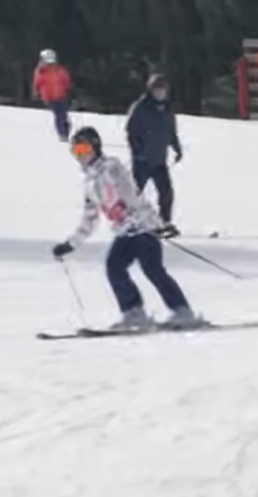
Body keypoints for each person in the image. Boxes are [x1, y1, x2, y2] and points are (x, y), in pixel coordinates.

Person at [52, 126, 202, 332]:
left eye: (85, 149)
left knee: (153, 270)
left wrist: (150, 222)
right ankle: (134, 313)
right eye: (77, 151)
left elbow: (130, 193)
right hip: (124, 232)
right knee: (114, 267)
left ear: (95, 147)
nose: (82, 155)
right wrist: (70, 244)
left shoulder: (111, 168)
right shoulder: (90, 183)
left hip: (143, 227)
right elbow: (90, 218)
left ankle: (183, 312)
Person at [125, 72, 184, 237]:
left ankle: (165, 221)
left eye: (163, 90)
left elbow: (171, 131)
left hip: (159, 160)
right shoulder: (141, 107)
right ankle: (129, 222)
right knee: (135, 193)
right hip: (142, 161)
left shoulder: (167, 109)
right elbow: (131, 132)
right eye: (157, 90)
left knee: (166, 192)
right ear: (150, 90)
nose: (160, 93)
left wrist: (177, 148)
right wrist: (138, 152)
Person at [32, 48, 74, 141]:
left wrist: (68, 88)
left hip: (61, 95)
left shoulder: (60, 70)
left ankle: (65, 130)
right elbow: (37, 82)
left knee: (63, 115)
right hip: (49, 97)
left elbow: (66, 79)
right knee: (59, 115)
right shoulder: (41, 71)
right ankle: (62, 133)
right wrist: (36, 92)